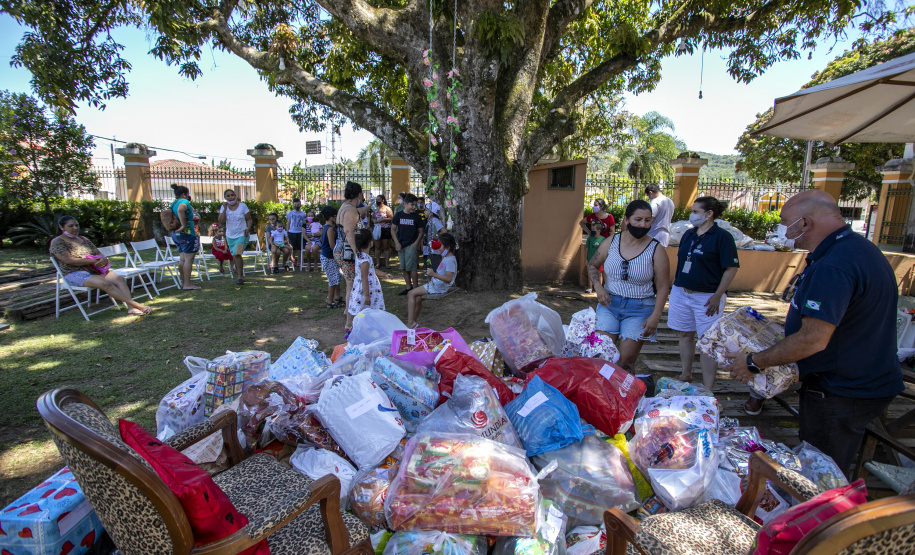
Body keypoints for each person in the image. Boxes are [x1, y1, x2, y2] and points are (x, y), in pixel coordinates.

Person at [725, 190, 904, 477]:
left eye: (784, 222)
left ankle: (822, 520)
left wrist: (754, 361)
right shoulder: (854, 249)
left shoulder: (835, 264)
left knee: (821, 474)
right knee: (828, 463)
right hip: (858, 382)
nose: (781, 229)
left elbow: (814, 338)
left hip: (843, 390)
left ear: (804, 223)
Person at [587, 199, 671, 371]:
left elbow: (663, 286)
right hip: (609, 304)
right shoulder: (612, 241)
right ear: (626, 220)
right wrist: (599, 287)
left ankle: (623, 396)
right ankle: (601, 395)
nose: (643, 225)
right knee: (602, 356)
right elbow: (592, 264)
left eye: (647, 220)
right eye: (638, 220)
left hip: (639, 308)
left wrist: (656, 316)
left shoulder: (656, 249)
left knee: (626, 361)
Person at [668, 197, 739, 390]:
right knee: (685, 333)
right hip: (682, 292)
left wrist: (717, 295)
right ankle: (686, 373)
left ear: (709, 214)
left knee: (708, 341)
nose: (692, 215)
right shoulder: (689, 234)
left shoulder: (722, 237)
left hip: (707, 297)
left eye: (696, 211)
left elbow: (731, 268)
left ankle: (708, 387)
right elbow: (683, 260)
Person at [50, 216, 152, 316]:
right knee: (105, 284)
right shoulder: (57, 242)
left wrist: (103, 259)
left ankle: (131, 309)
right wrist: (92, 261)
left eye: (77, 225)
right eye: (71, 226)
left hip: (94, 269)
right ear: (61, 227)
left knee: (119, 279)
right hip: (73, 273)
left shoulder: (83, 239)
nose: (75, 228)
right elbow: (68, 260)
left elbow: (98, 253)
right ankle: (136, 305)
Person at [335, 181, 367, 332]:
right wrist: (357, 253)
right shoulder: (351, 211)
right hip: (347, 252)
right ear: (359, 194)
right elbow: (348, 232)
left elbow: (360, 212)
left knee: (351, 284)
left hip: (341, 250)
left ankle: (348, 310)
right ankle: (349, 321)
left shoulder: (345, 207)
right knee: (352, 285)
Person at [406, 233, 457, 329]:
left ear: (448, 247)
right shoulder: (447, 257)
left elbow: (449, 279)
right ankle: (413, 323)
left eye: (439, 245)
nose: (437, 247)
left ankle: (410, 323)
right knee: (417, 299)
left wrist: (434, 274)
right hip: (436, 285)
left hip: (437, 287)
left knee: (411, 294)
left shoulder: (450, 260)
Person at [348, 228, 393, 323]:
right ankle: (359, 328)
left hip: (362, 289)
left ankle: (362, 327)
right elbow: (364, 277)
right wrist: (366, 295)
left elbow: (372, 270)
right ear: (370, 243)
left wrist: (384, 274)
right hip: (365, 290)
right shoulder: (365, 259)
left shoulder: (361, 256)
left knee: (364, 313)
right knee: (364, 312)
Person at [169, 183, 201, 291]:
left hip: (177, 234)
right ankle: (187, 284)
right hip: (188, 234)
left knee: (182, 259)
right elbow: (181, 210)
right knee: (189, 259)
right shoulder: (183, 202)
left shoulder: (174, 203)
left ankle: (185, 282)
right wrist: (183, 225)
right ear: (184, 194)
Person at [392, 193, 425, 296]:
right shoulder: (399, 215)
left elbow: (421, 232)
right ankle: (408, 287)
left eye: (416, 205)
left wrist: (416, 243)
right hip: (401, 245)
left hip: (411, 244)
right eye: (412, 205)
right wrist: (396, 243)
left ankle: (415, 288)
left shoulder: (417, 217)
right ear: (405, 204)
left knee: (412, 268)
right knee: (404, 267)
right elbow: (393, 229)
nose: (414, 207)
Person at [218, 189, 252, 285]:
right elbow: (220, 221)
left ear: (235, 195)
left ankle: (240, 276)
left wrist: (248, 229)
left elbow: (249, 219)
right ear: (225, 198)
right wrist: (224, 209)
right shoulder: (223, 207)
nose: (231, 197)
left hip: (242, 234)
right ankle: (238, 272)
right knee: (235, 256)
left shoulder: (243, 206)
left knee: (237, 254)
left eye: (232, 195)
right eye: (228, 196)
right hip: (230, 235)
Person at [320, 206, 344, 309]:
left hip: (331, 257)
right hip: (329, 257)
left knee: (336, 277)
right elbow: (332, 246)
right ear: (331, 217)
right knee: (332, 280)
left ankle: (337, 298)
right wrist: (339, 255)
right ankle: (330, 302)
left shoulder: (327, 227)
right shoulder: (330, 229)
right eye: (335, 216)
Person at [372, 194, 394, 269]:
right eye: (376, 199)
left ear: (383, 200)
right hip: (377, 229)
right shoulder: (375, 209)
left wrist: (383, 219)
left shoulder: (387, 209)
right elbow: (372, 218)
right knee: (377, 247)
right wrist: (374, 220)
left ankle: (387, 263)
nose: (377, 201)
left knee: (386, 247)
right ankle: (378, 263)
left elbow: (391, 218)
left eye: (379, 199)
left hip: (385, 229)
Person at [422, 201, 446, 270]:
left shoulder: (434, 220)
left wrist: (437, 241)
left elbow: (443, 231)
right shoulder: (430, 221)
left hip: (434, 251)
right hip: (428, 250)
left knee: (434, 269)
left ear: (431, 212)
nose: (424, 212)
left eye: (426, 210)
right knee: (429, 269)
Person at [585, 220, 606, 294]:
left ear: (599, 230)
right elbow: (587, 248)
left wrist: (604, 260)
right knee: (590, 273)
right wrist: (586, 259)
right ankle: (590, 287)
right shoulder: (590, 238)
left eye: (594, 230)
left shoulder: (603, 239)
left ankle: (598, 289)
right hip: (590, 259)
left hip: (599, 260)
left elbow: (604, 250)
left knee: (599, 273)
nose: (592, 231)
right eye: (592, 229)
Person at [286, 198, 307, 269]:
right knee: (292, 248)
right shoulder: (290, 213)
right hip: (292, 232)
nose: (296, 206)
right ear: (293, 205)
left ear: (300, 204)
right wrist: (287, 231)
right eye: (295, 205)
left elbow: (304, 224)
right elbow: (288, 222)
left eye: (298, 204)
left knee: (300, 248)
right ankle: (292, 261)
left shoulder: (303, 214)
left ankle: (299, 262)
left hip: (300, 233)